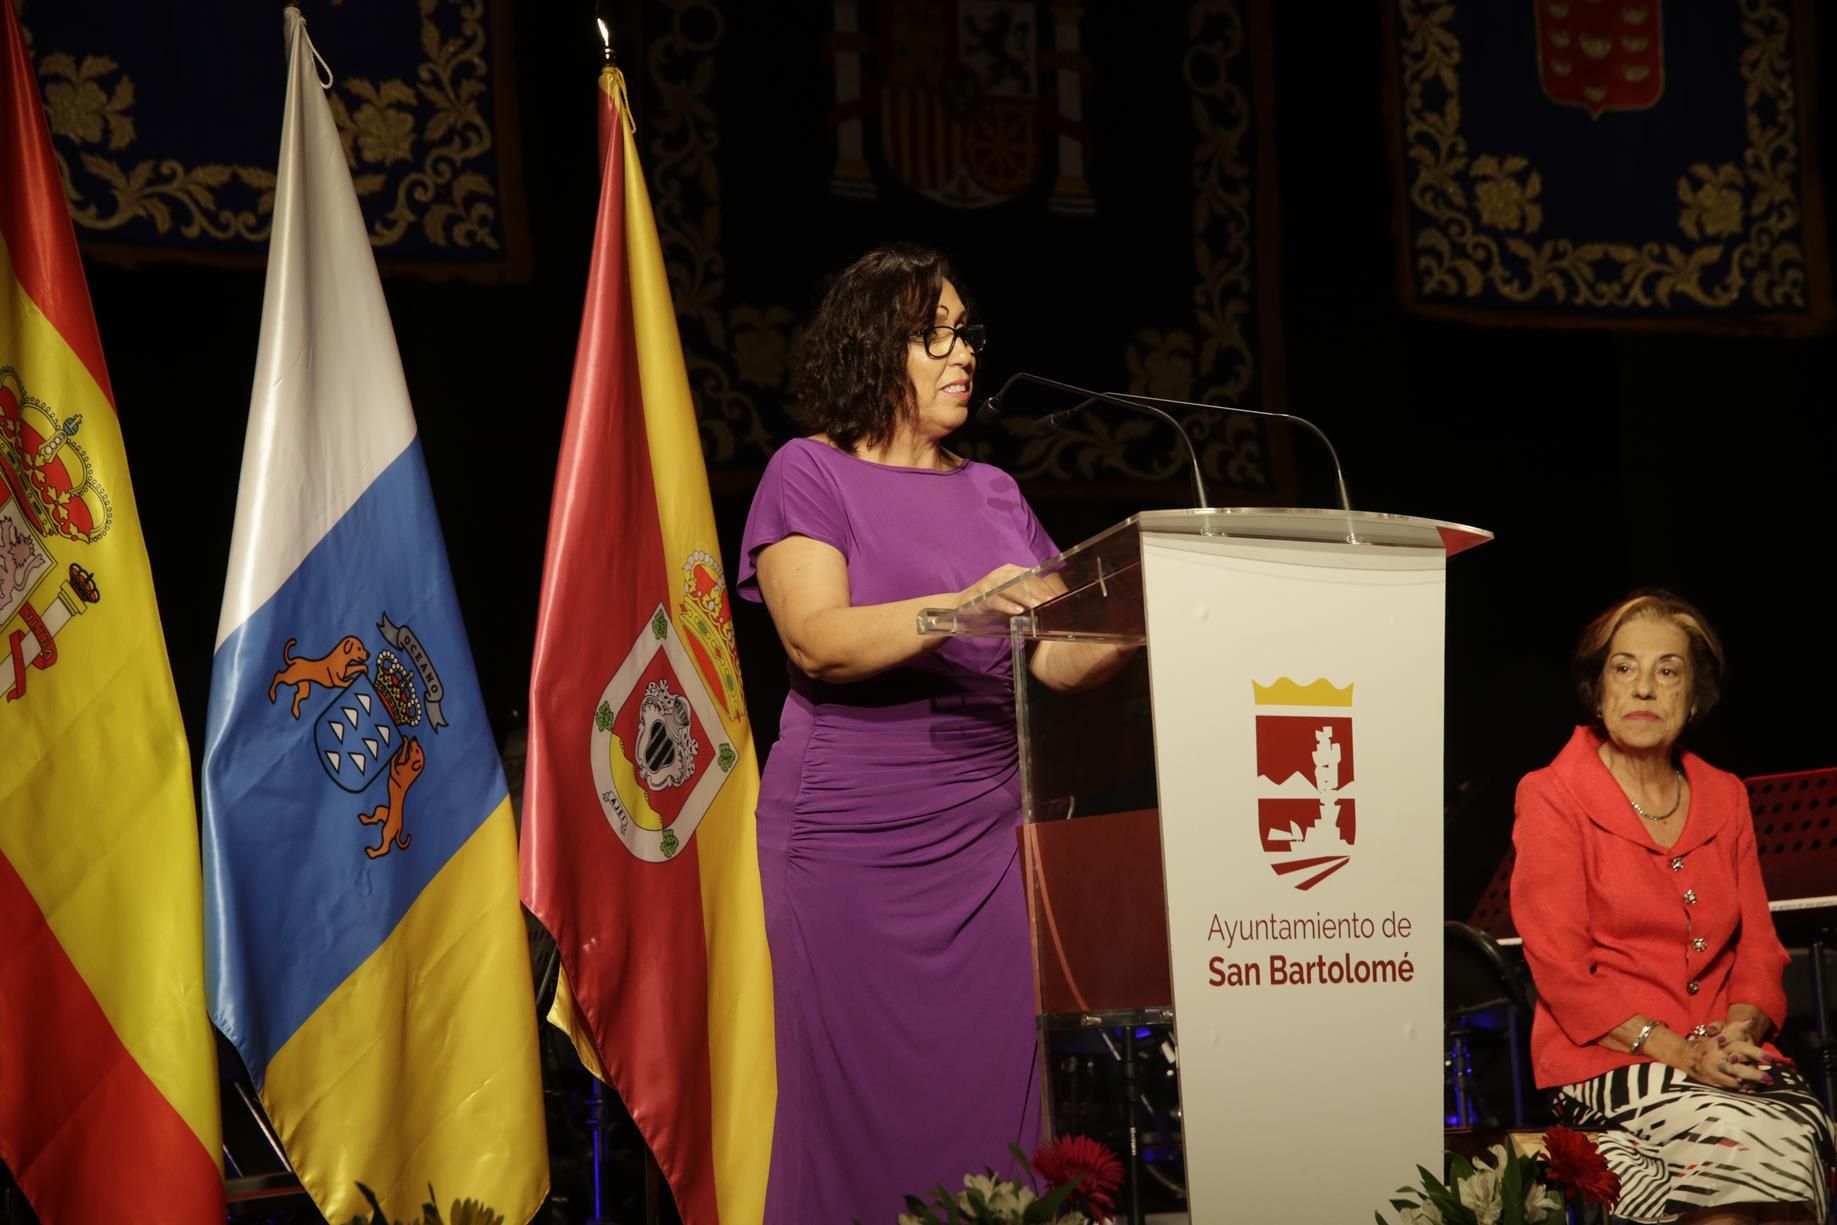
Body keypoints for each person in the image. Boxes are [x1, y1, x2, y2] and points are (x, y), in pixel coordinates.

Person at [737, 244, 1122, 1224]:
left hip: (986, 854)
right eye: (933, 335)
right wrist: (958, 608)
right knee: (848, 1126)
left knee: (993, 1128)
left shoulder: (993, 492)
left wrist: (1143, 612)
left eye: (965, 333)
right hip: (848, 849)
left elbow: (1054, 658)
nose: (964, 354)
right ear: (873, 349)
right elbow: (816, 640)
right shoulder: (808, 471)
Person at [1511, 590, 1834, 1225]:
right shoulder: (1552, 794)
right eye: (1624, 667)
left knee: (1799, 1136)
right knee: (1738, 1147)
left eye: (1667, 671)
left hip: (1724, 1055)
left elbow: (1758, 948)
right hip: (1607, 1063)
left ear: (1692, 698)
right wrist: (1684, 1054)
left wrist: (1739, 1033)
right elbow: (1562, 972)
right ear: (1598, 691)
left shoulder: (1725, 794)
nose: (1644, 688)